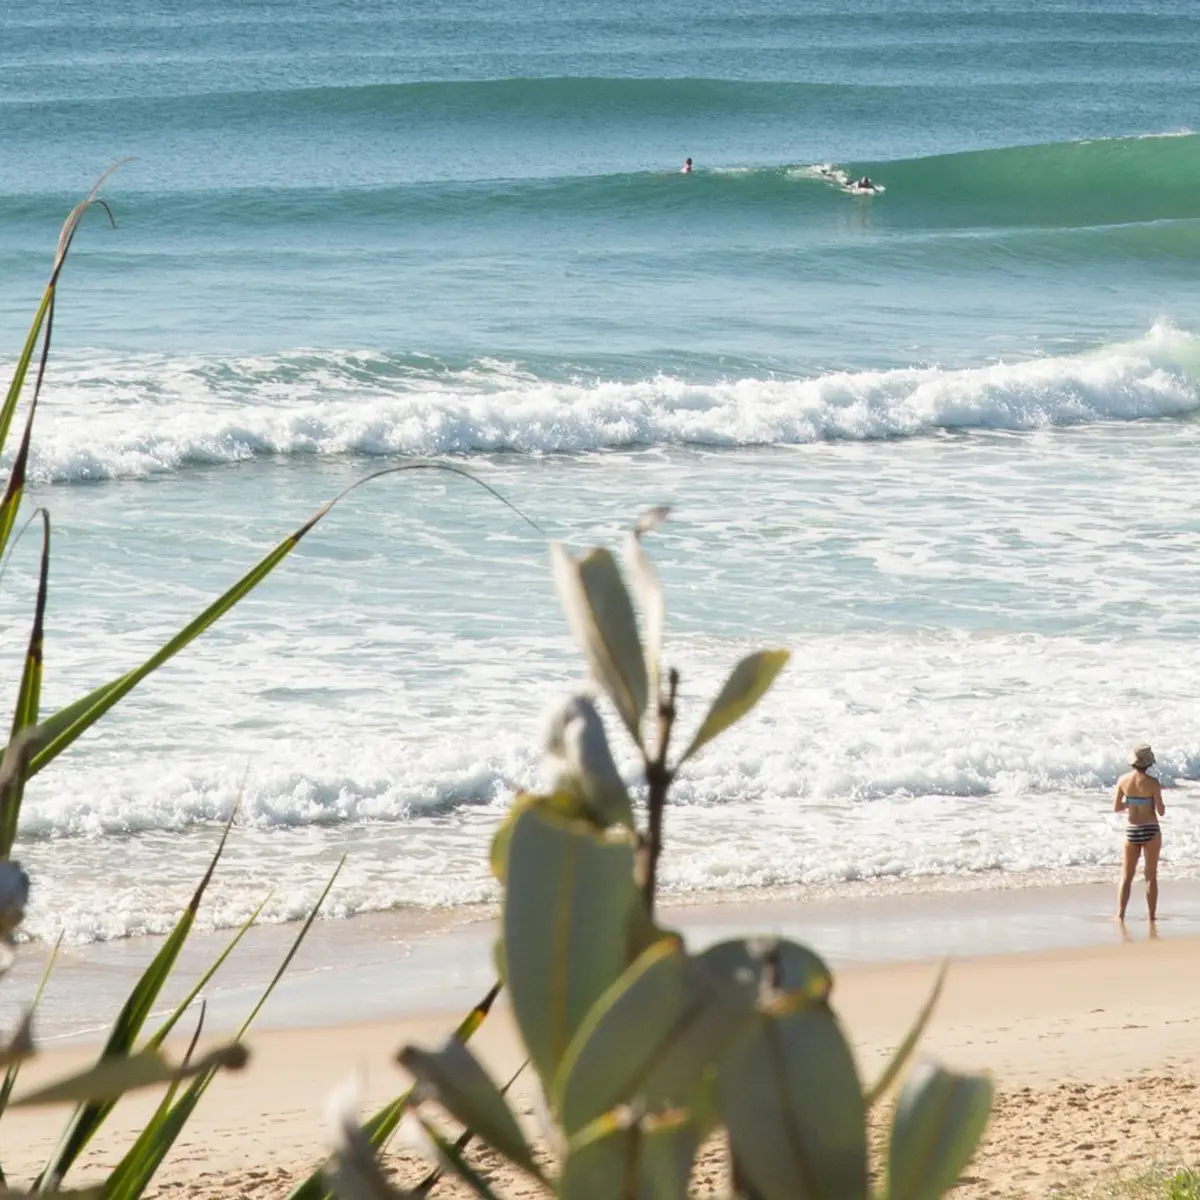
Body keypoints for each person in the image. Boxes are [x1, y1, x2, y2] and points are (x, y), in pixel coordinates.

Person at [1113, 743, 1165, 922]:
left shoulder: (1123, 781)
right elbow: (1161, 811)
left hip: (1132, 830)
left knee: (1126, 876)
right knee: (1151, 876)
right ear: (1148, 763)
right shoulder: (1153, 783)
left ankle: (1121, 915)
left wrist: (1131, 803)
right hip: (1151, 828)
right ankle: (1151, 916)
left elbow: (1116, 807)